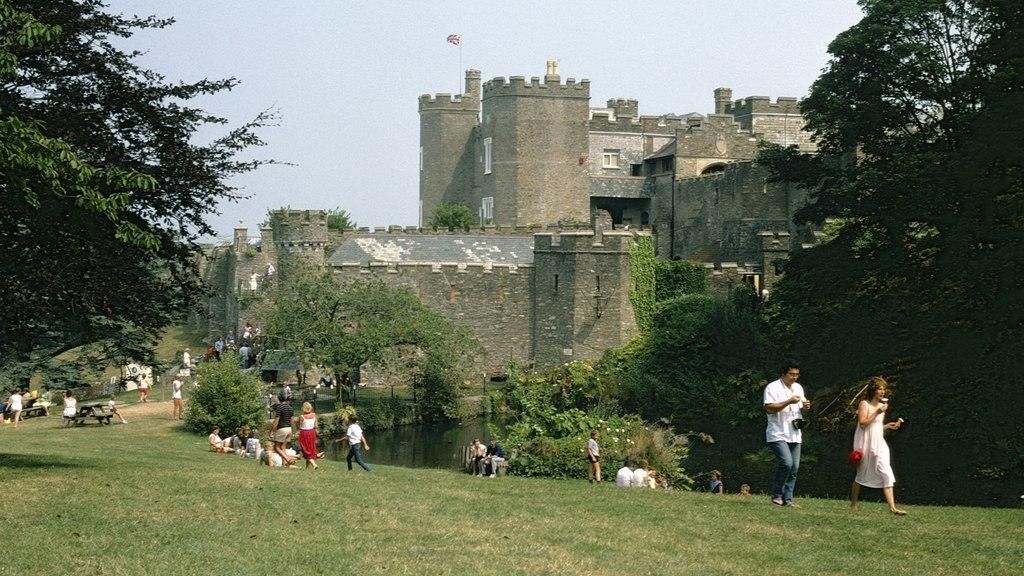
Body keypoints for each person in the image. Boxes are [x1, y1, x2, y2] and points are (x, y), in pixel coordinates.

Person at [850, 376, 907, 515]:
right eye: (879, 389)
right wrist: (877, 412)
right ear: (873, 390)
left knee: (887, 472)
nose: (882, 392)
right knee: (861, 475)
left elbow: (876, 426)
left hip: (879, 443)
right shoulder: (865, 404)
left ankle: (893, 508)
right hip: (866, 444)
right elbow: (863, 424)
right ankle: (853, 505)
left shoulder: (882, 406)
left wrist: (888, 426)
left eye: (884, 389)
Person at [763, 360, 811, 507]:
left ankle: (788, 499)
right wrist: (788, 401)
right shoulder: (772, 387)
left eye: (797, 374)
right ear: (783, 373)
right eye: (791, 374)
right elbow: (769, 408)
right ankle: (777, 495)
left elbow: (801, 408)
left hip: (795, 433)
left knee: (794, 467)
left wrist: (806, 407)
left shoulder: (798, 388)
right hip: (777, 432)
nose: (794, 377)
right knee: (786, 462)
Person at [270, 392, 297, 466]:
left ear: (280, 399)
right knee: (283, 447)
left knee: (277, 447)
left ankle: (288, 459)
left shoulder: (280, 407)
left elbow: (276, 420)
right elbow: (292, 421)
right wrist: (292, 431)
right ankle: (284, 464)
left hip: (282, 429)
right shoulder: (290, 407)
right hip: (289, 429)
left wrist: (272, 431)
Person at [297, 402, 321, 470]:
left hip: (304, 433)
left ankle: (314, 464)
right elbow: (316, 425)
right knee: (310, 448)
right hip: (312, 432)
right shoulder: (314, 415)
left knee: (305, 450)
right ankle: (306, 468)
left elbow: (300, 427)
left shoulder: (301, 417)